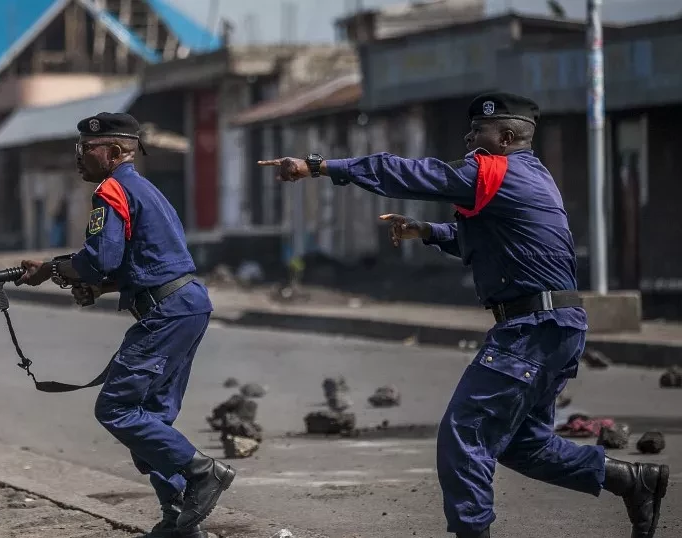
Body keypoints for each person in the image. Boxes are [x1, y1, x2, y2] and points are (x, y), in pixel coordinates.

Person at [257, 92, 670, 538]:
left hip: (532, 329)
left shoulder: (495, 169)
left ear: (507, 137)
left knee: (463, 434)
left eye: (479, 131)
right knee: (522, 443)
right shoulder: (531, 176)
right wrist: (429, 231)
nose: (469, 138)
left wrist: (321, 166)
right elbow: (492, 240)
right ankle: (633, 481)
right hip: (556, 325)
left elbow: (410, 174)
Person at [17, 112, 235, 538]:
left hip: (168, 311)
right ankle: (179, 521)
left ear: (115, 153)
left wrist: (53, 268)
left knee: (116, 407)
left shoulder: (112, 190)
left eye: (87, 149)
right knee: (152, 416)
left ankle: (203, 473)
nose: (79, 157)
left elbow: (101, 259)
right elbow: (144, 261)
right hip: (184, 303)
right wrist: (98, 289)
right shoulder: (145, 190)